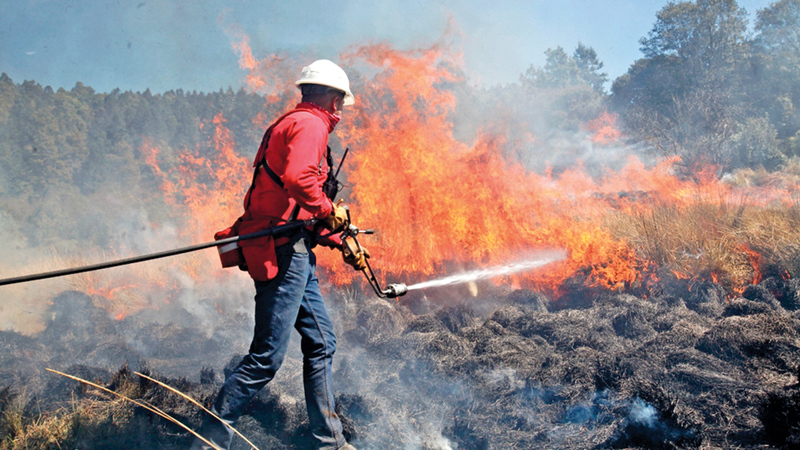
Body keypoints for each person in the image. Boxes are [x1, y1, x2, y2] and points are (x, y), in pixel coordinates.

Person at [192, 59, 367, 450]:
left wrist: (340, 241)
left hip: (293, 249)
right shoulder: (311, 124)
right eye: (340, 101)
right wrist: (329, 210)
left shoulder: (292, 123)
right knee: (266, 358)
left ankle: (329, 441)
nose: (340, 111)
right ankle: (207, 441)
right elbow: (300, 180)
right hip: (284, 253)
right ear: (330, 98)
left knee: (322, 342)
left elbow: (294, 207)